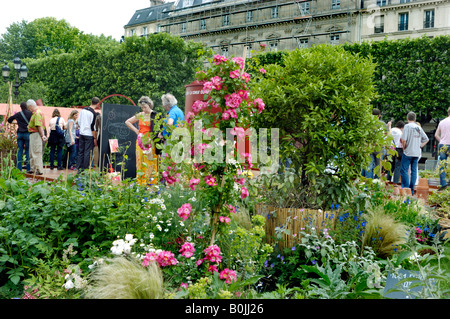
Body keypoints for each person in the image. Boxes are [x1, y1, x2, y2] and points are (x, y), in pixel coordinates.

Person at [125, 96, 161, 185]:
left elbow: (159, 130)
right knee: (140, 161)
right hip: (141, 142)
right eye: (142, 107)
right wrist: (136, 131)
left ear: (149, 105)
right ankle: (141, 182)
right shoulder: (140, 114)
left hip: (151, 142)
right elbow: (127, 122)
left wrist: (155, 139)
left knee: (150, 161)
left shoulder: (155, 115)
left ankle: (151, 183)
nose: (143, 109)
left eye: (145, 107)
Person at [400, 111, 429, 195]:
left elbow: (404, 140)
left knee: (404, 170)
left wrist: (404, 147)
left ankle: (406, 188)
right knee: (414, 171)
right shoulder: (418, 128)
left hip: (408, 152)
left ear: (407, 118)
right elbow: (426, 139)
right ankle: (412, 189)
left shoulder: (407, 126)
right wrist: (420, 146)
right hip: (416, 153)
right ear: (415, 119)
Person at [362, 108, 389, 179]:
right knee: (378, 166)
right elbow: (387, 134)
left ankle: (368, 183)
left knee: (369, 165)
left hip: (369, 146)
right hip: (379, 147)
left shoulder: (368, 124)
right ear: (379, 115)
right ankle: (376, 183)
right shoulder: (382, 124)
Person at [7, 101, 32, 173]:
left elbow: (9, 120)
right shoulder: (30, 113)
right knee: (27, 150)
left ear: (20, 107)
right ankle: (28, 168)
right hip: (27, 133)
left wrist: (17, 122)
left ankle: (19, 168)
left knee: (20, 151)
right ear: (26, 106)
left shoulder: (18, 114)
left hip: (20, 134)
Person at [77, 97, 98, 172]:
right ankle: (85, 169)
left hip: (81, 133)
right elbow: (93, 126)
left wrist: (82, 128)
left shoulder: (83, 110)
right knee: (87, 152)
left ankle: (79, 168)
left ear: (91, 101)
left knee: (80, 151)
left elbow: (79, 121)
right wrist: (95, 137)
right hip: (88, 134)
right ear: (97, 104)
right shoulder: (93, 113)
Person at [26, 99, 47, 175]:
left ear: (31, 106)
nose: (28, 109)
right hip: (33, 134)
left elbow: (39, 126)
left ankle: (38, 169)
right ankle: (33, 168)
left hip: (36, 134)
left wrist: (42, 135)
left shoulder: (37, 113)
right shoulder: (35, 113)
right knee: (32, 152)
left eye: (29, 108)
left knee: (36, 151)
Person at [434, 106, 450, 191]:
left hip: (443, 145)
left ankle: (443, 184)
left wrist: (442, 141)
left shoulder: (442, 122)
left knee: (442, 164)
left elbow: (436, 135)